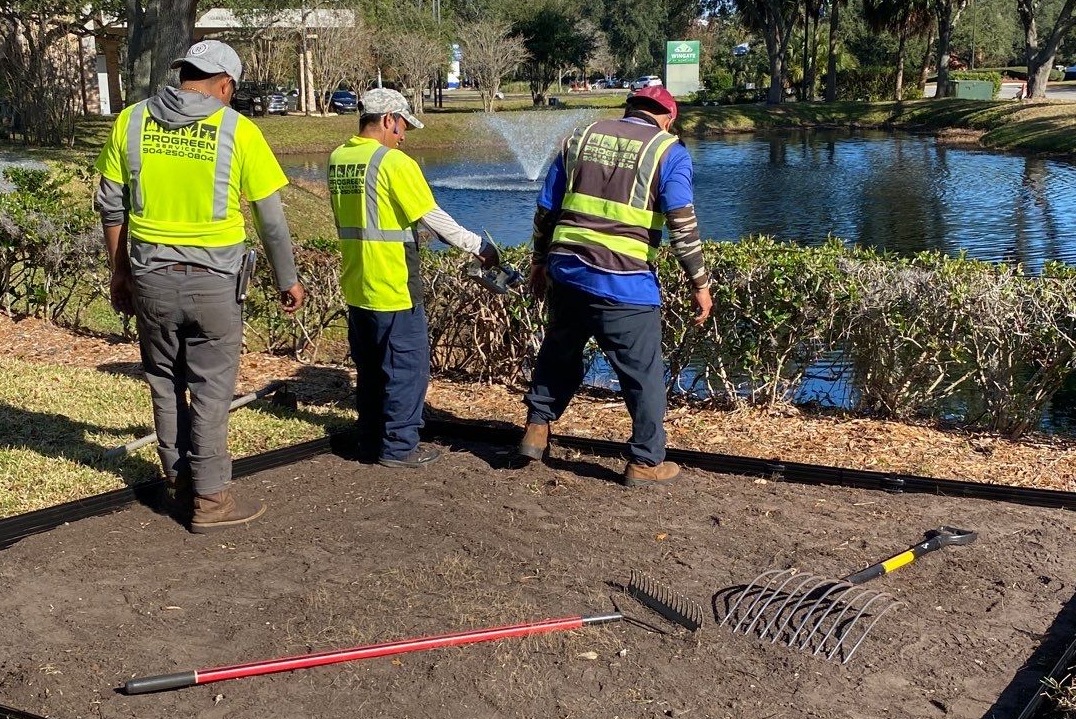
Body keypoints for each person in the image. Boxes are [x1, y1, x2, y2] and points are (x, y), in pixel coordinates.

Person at [95, 38, 305, 530]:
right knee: (210, 391)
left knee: (165, 382)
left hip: (150, 280)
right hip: (215, 284)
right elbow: (271, 220)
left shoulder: (130, 121)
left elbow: (110, 205)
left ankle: (180, 482)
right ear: (226, 85)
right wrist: (287, 279)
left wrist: (120, 271)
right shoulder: (238, 130)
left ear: (183, 71)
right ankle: (211, 502)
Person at [514, 84, 712, 486]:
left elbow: (546, 209)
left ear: (628, 109)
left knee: (559, 352)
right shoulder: (668, 151)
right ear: (669, 118)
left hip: (567, 271)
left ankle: (536, 429)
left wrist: (539, 262)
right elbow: (682, 222)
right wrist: (699, 282)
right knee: (643, 375)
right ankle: (644, 462)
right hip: (624, 284)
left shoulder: (580, 137)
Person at [327, 87, 496, 466]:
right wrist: (480, 248)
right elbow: (433, 216)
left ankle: (370, 441)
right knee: (407, 368)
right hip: (394, 284)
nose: (404, 136)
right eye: (402, 126)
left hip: (357, 283)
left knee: (370, 370)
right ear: (388, 119)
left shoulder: (339, 158)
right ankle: (400, 447)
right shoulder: (394, 163)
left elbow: (368, 217)